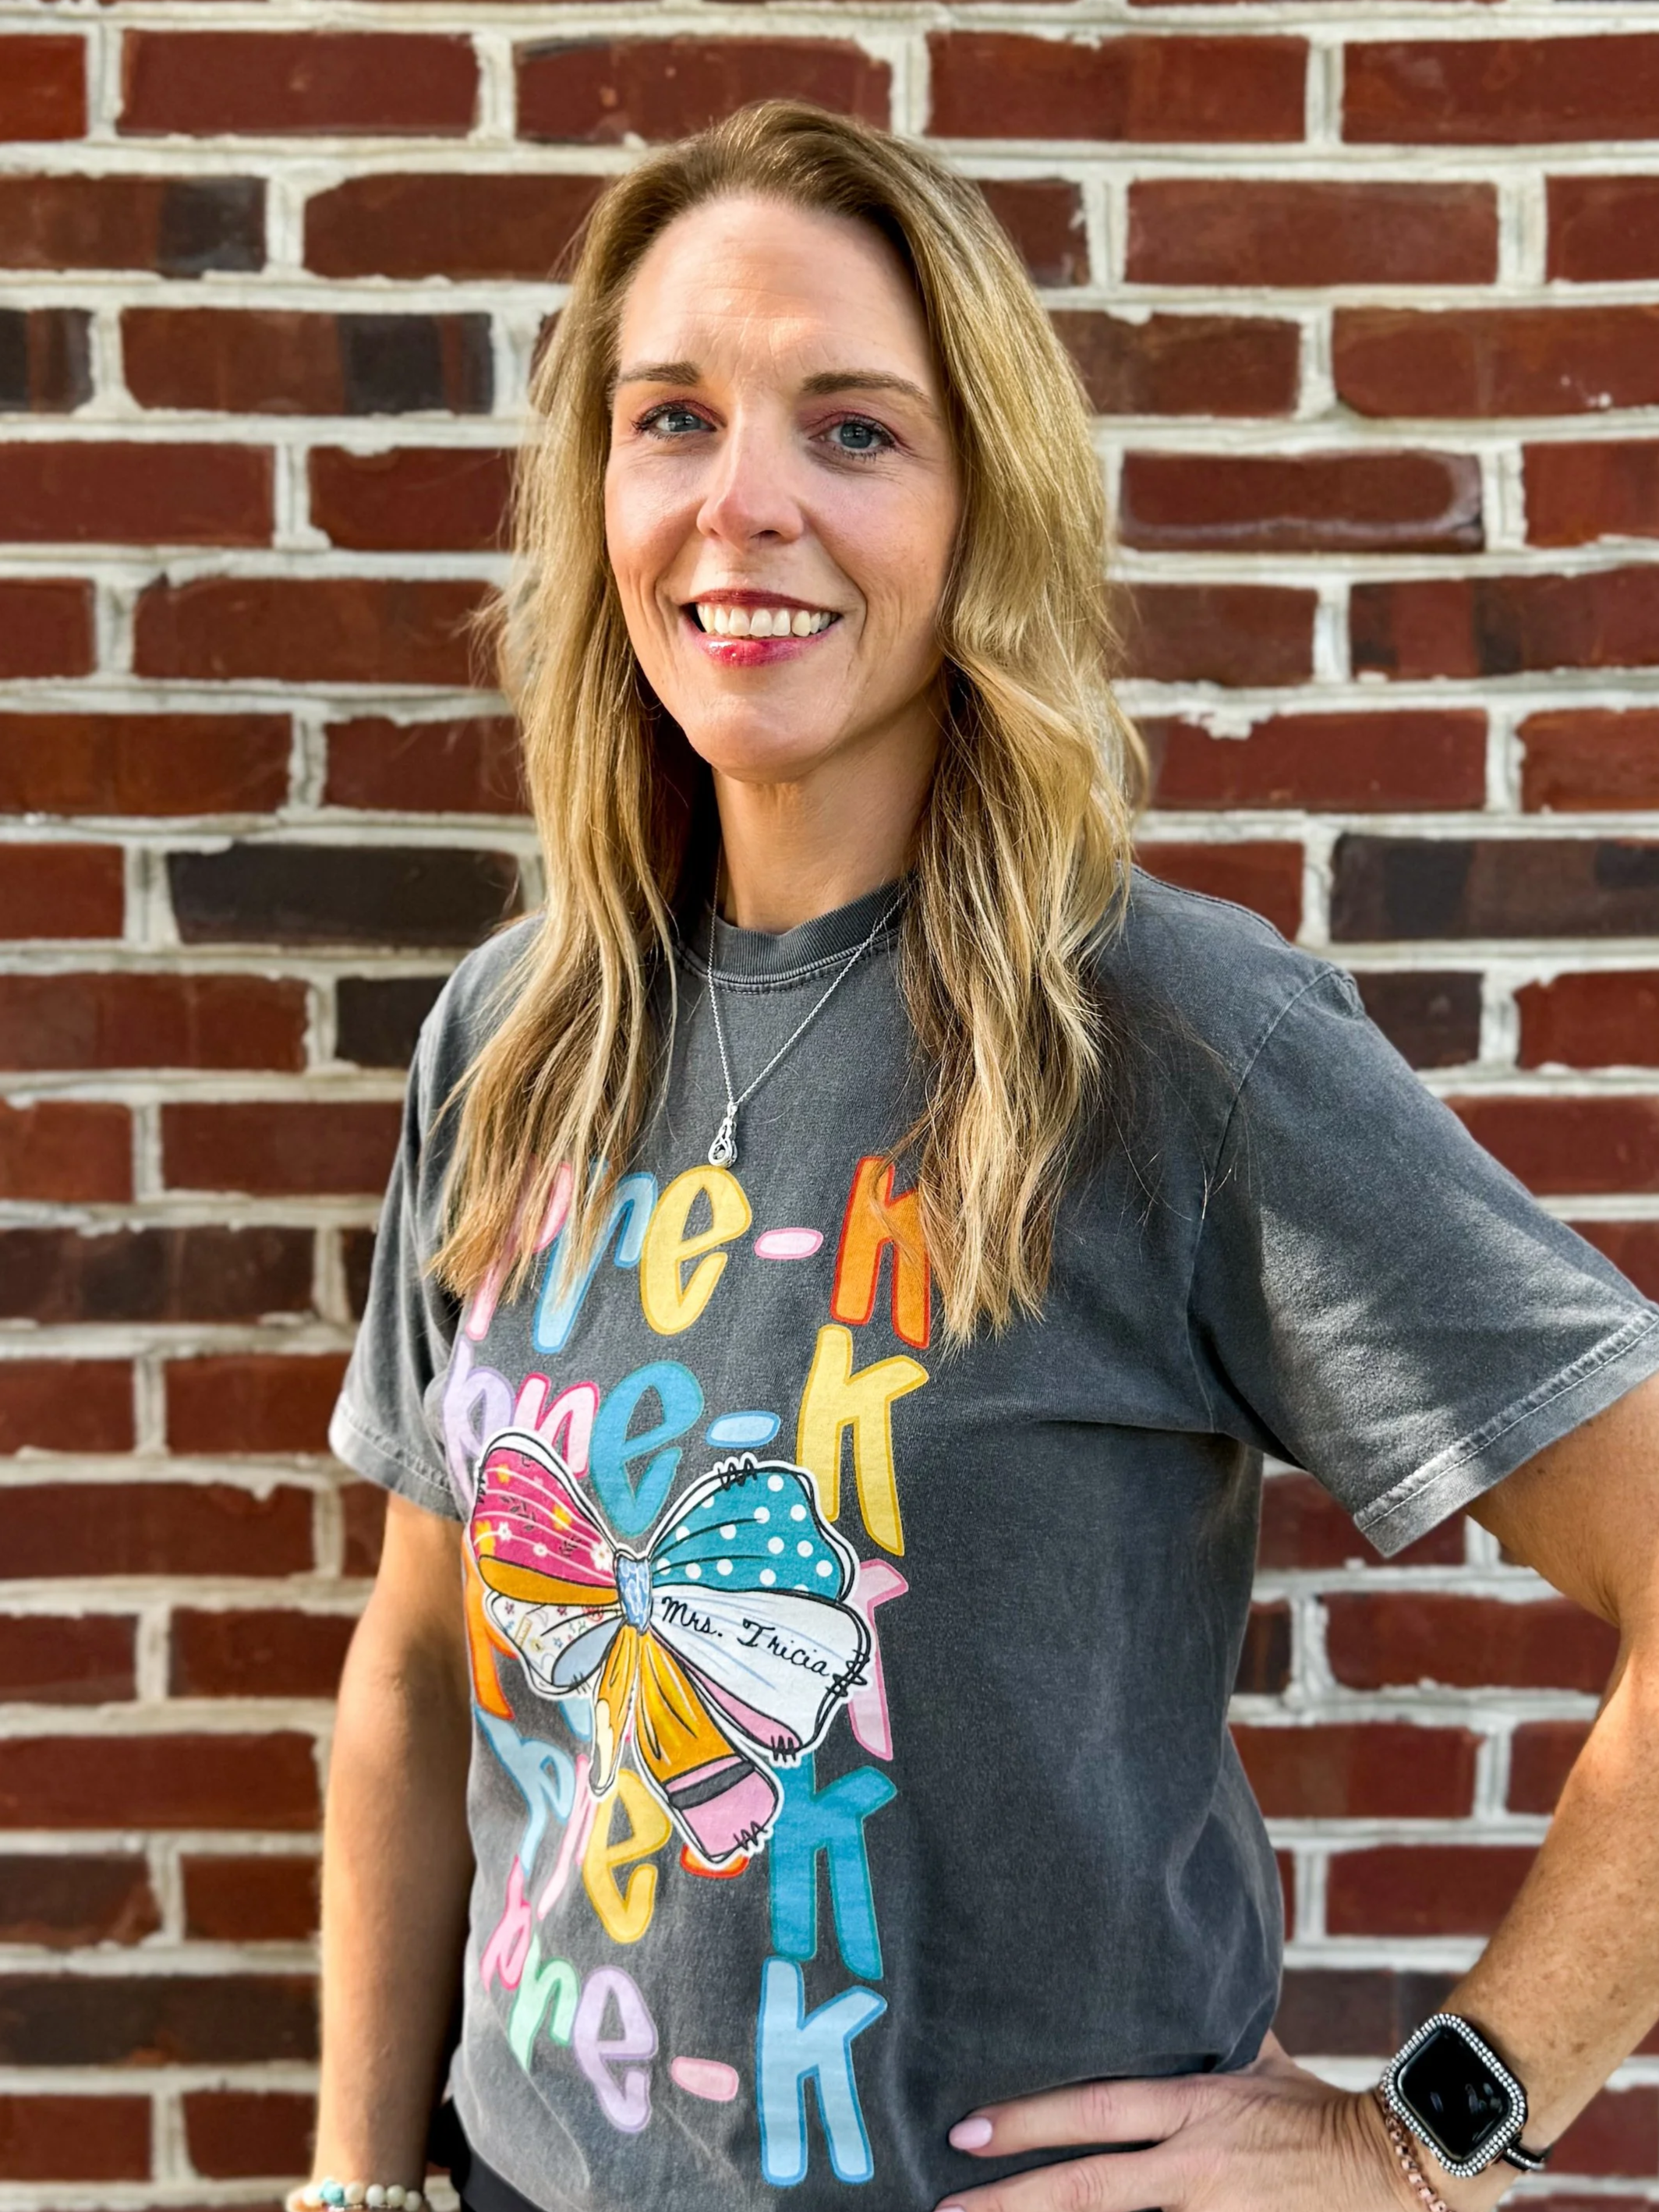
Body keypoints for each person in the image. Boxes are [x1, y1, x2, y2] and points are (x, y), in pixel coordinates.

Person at [307, 99, 1659, 2212]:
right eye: (673, 419)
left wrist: (1436, 2134)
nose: (742, 505)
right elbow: (414, 1666)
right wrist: (351, 2181)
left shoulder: (1169, 1036)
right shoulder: (517, 1029)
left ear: (983, 508)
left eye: (852, 430)